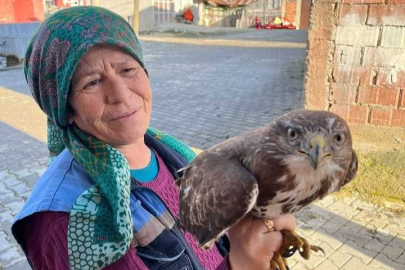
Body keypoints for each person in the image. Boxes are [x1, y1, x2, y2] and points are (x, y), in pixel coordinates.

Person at [11, 6, 296, 270]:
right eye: (92, 82)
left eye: (127, 69)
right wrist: (243, 261)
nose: (121, 94)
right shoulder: (62, 221)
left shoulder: (179, 157)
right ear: (65, 108)